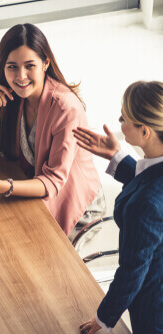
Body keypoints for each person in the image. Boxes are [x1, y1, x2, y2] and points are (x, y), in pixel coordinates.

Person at [0, 23, 104, 236]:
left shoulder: (65, 108)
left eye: (30, 65)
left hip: (76, 207)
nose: (21, 76)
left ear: (45, 63)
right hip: (32, 186)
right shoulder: (13, 96)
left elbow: (53, 182)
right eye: (12, 67)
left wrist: (1, 186)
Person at [75, 81, 162, 334]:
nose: (119, 120)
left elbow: (132, 271)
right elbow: (151, 179)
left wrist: (104, 319)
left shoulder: (145, 204)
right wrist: (116, 156)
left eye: (124, 117)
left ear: (144, 131)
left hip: (153, 309)